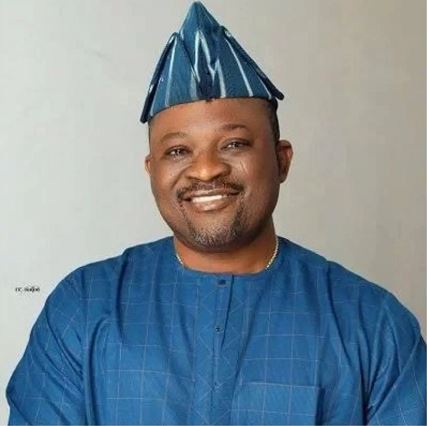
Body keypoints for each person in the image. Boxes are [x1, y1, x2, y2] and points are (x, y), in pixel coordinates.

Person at [6, 2, 426, 425]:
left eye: (233, 144)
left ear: (281, 160)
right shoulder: (83, 308)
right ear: (152, 171)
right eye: (177, 151)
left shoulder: (373, 325)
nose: (206, 169)